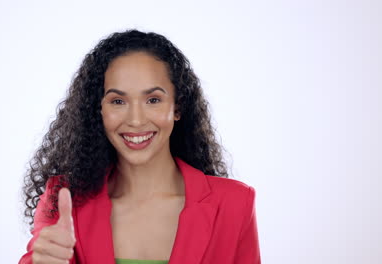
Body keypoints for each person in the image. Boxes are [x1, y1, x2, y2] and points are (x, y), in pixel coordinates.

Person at [19, 30, 261, 264]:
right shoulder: (63, 199)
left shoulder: (234, 203)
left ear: (177, 107)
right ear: (99, 111)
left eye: (153, 100)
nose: (135, 120)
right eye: (118, 101)